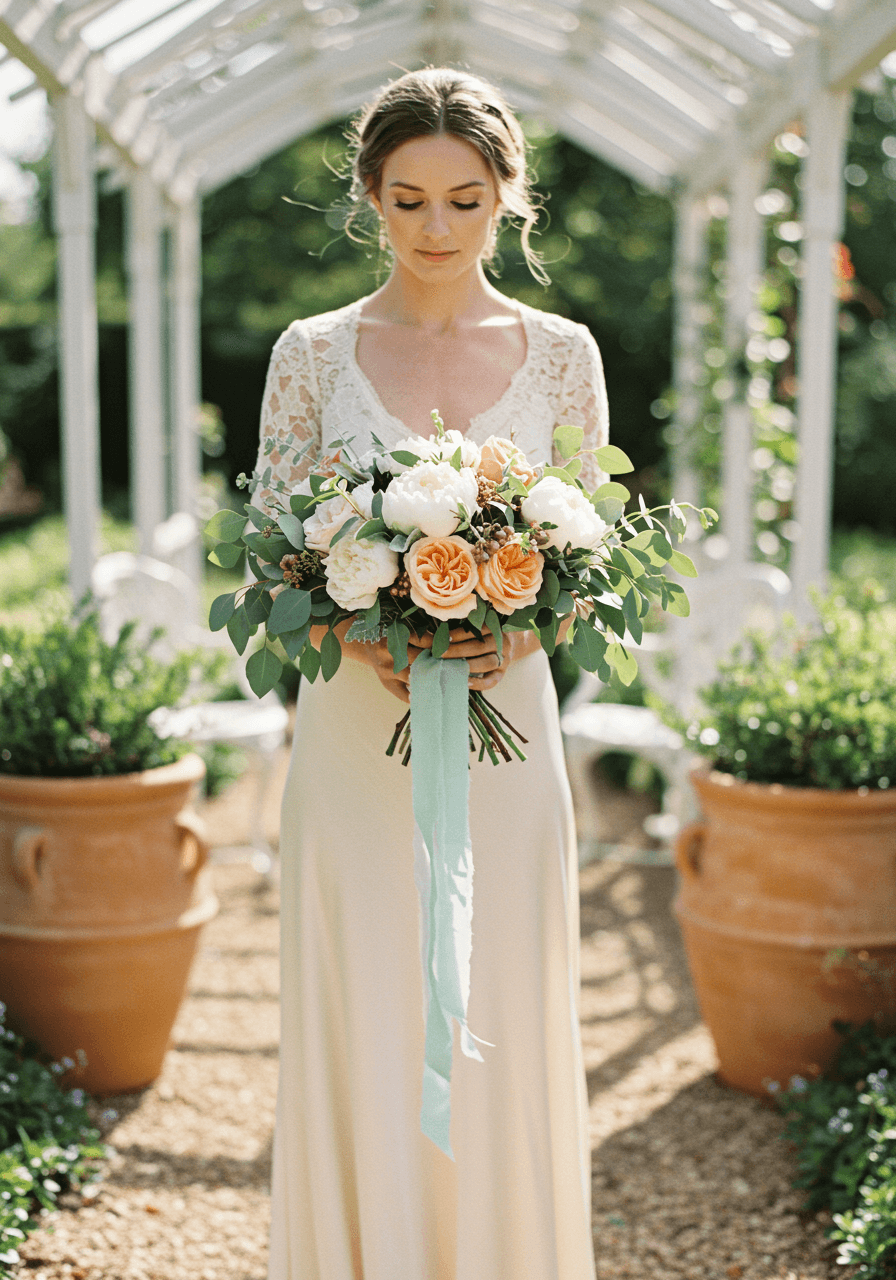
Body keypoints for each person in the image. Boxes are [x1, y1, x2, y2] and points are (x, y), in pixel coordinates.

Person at [256, 67, 608, 1280]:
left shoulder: (562, 354)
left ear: (510, 197)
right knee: (365, 985)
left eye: (464, 200)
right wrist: (367, 633)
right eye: (406, 200)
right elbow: (271, 554)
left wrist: (511, 630)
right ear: (369, 198)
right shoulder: (310, 354)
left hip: (508, 724)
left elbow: (587, 555)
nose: (435, 229)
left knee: (499, 987)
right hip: (355, 732)